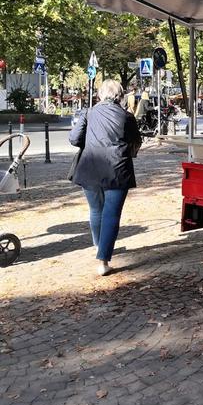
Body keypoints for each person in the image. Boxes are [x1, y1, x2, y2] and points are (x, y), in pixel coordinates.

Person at [69, 79, 141, 276]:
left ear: (100, 95)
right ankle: (103, 260)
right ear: (120, 96)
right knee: (111, 213)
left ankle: (99, 247)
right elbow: (136, 142)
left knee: (95, 210)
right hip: (117, 169)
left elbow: (74, 139)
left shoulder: (88, 113)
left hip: (90, 167)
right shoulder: (126, 117)